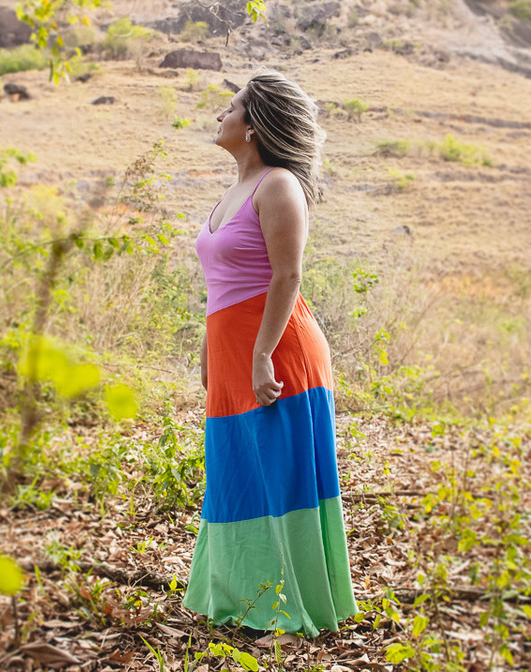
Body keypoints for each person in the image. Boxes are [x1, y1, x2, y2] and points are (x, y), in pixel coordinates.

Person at [183, 70, 357, 636]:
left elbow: (287, 276)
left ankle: (291, 604)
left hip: (279, 350)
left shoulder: (278, 185)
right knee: (235, 473)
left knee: (281, 479)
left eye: (231, 107)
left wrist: (261, 355)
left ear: (254, 124)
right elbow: (221, 287)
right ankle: (242, 595)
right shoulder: (233, 191)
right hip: (234, 350)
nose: (220, 115)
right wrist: (210, 349)